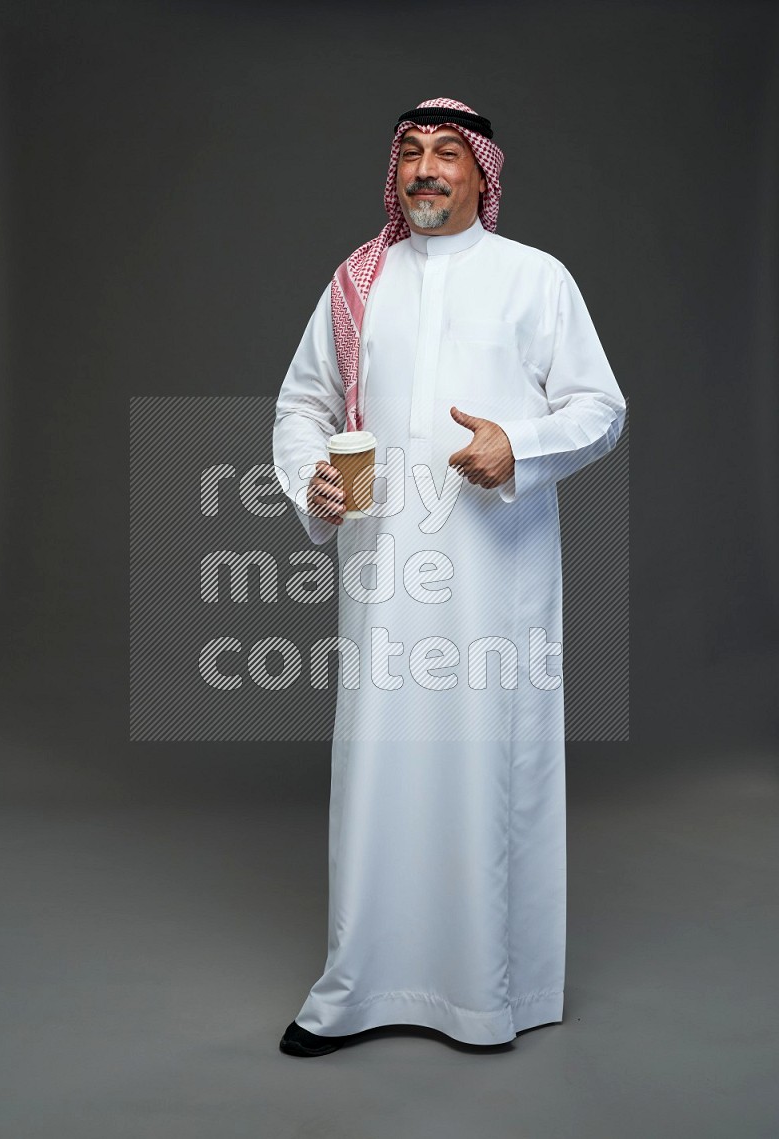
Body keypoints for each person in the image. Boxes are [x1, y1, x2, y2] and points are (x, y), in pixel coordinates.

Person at [272, 97, 626, 1057]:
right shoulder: (358, 282)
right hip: (383, 570)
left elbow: (600, 406)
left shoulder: (533, 279)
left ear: (483, 174)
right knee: (377, 768)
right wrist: (310, 476)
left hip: (495, 575)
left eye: (448, 154)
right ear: (397, 174)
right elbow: (304, 399)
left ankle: (482, 995)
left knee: (484, 770)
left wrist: (521, 444)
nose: (428, 169)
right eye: (413, 154)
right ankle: (357, 987)